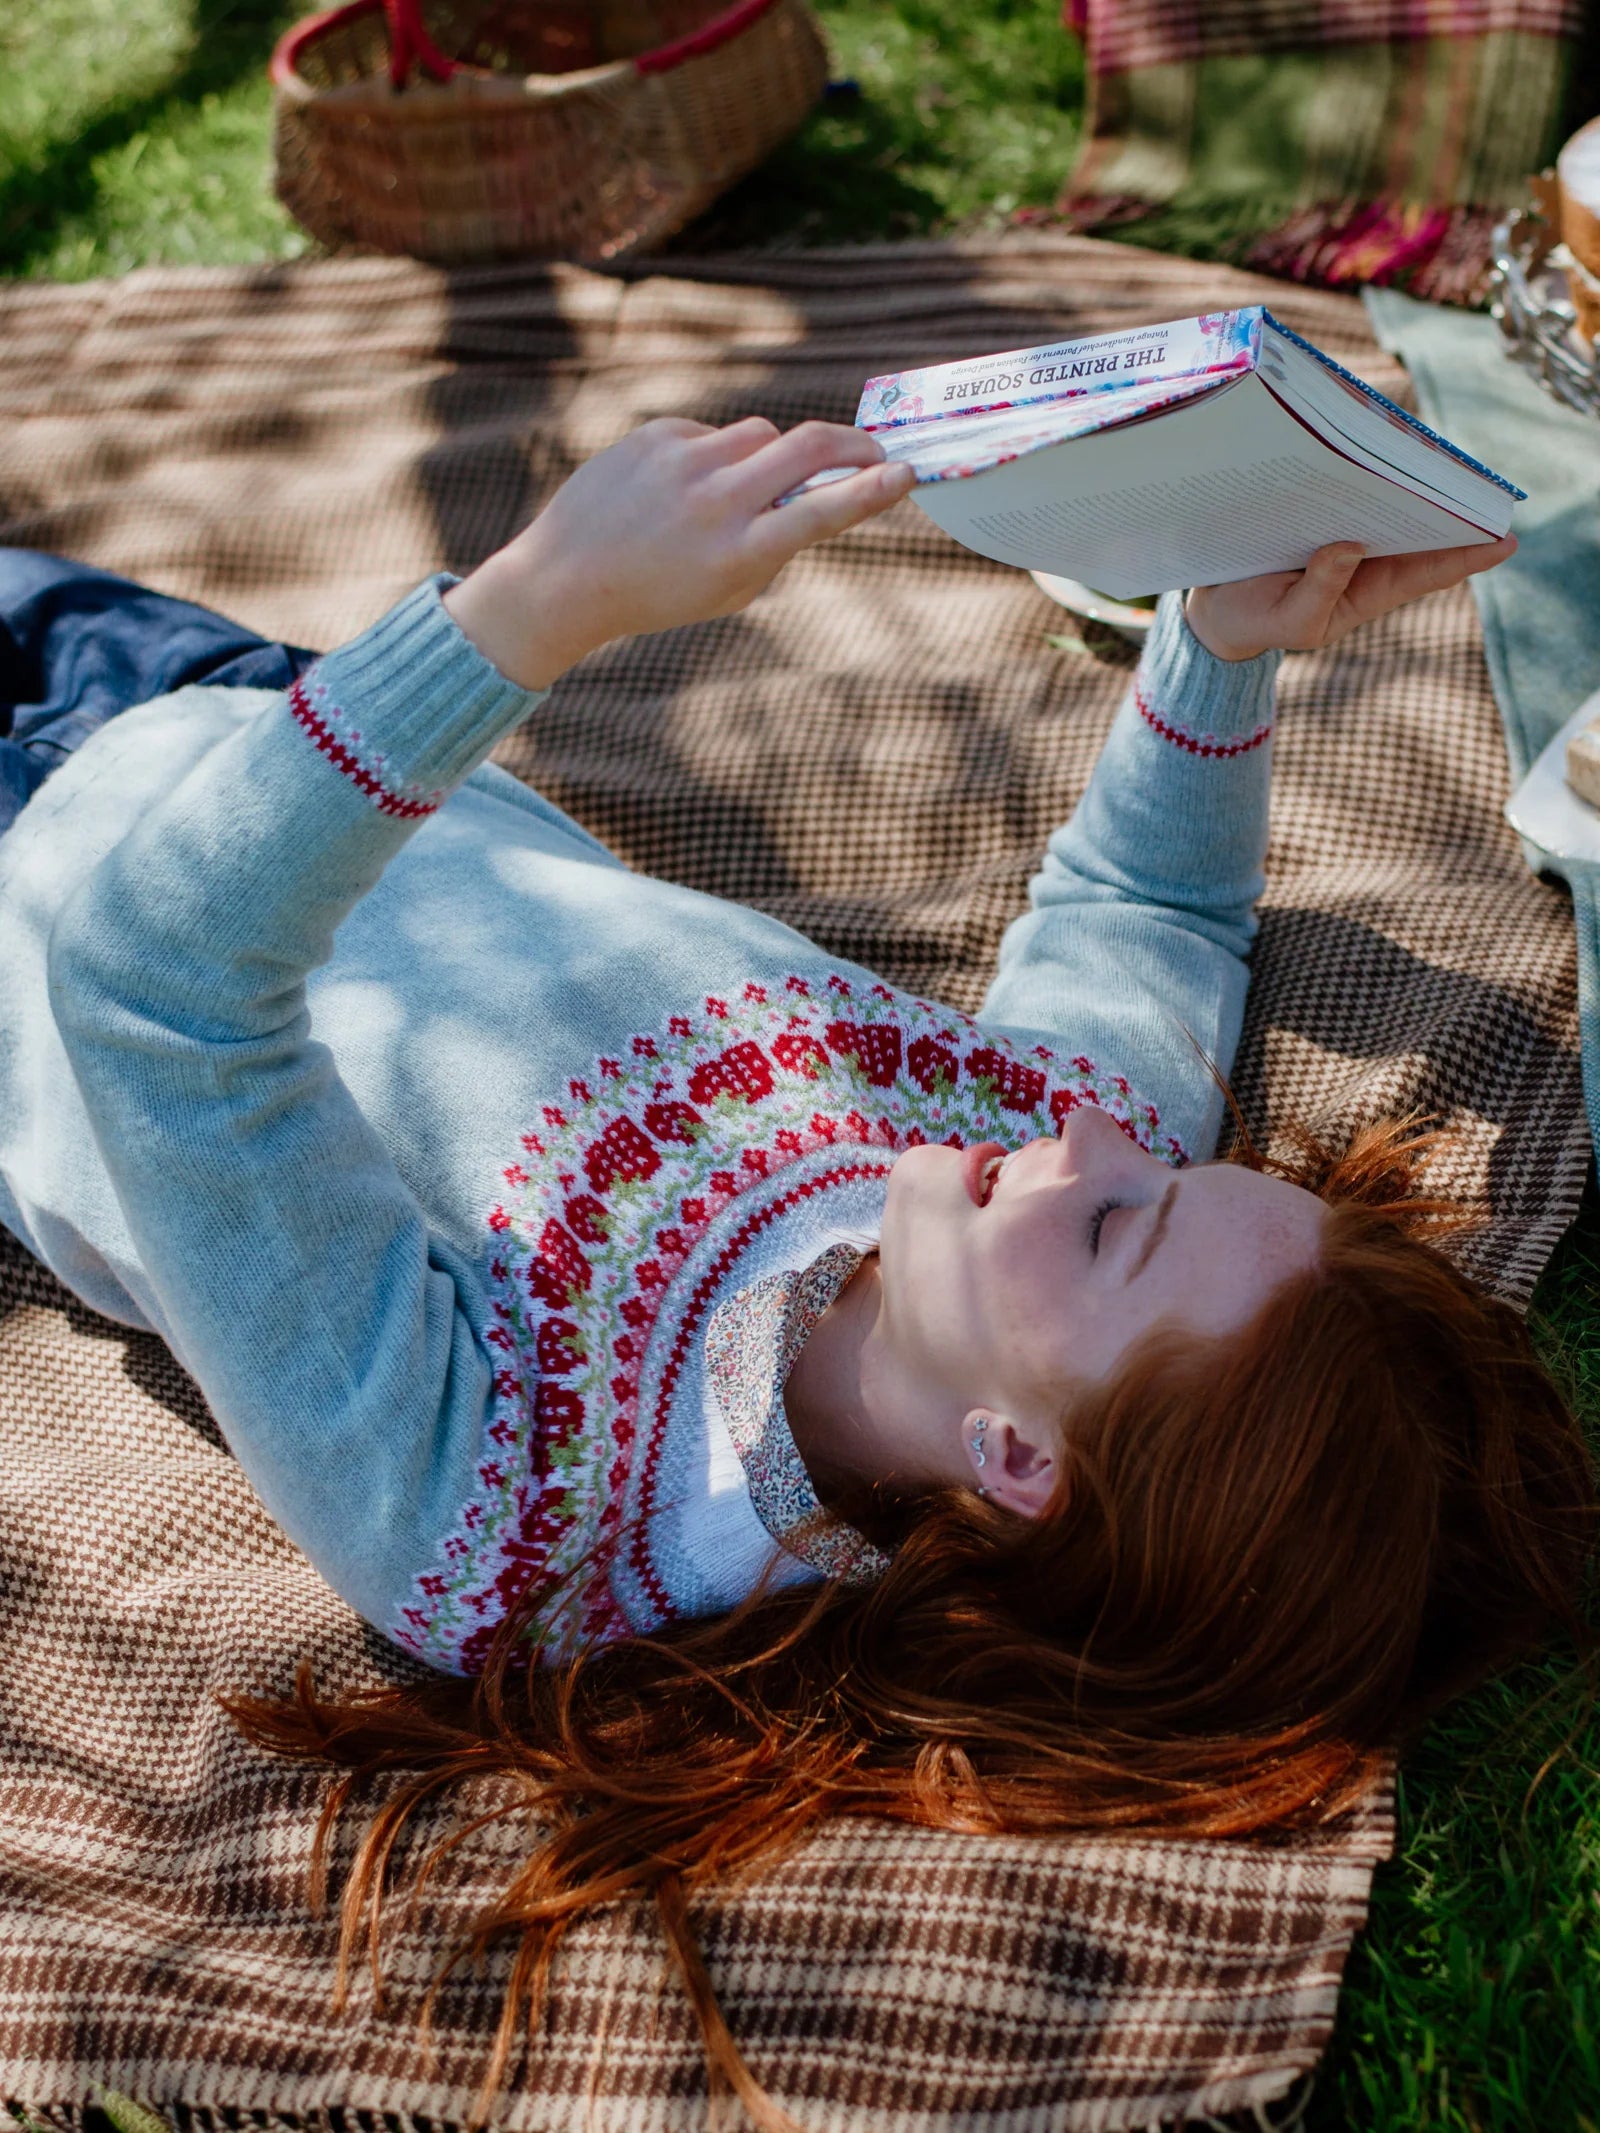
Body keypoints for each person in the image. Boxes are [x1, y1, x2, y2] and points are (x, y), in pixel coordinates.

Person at [0, 415, 1589, 2123]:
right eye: (1174, 1166)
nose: (1099, 1137)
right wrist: (1219, 642)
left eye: (1125, 1220)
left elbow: (153, 991)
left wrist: (525, 619)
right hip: (272, 720)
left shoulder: (510, 1507)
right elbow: (1150, 916)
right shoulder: (1044, 1180)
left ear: (1019, 1457)